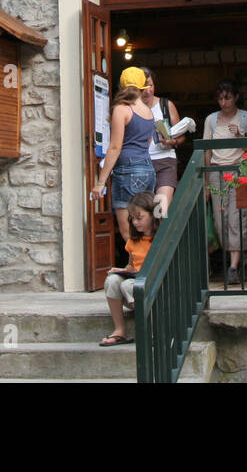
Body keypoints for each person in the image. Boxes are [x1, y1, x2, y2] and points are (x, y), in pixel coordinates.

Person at [91, 67, 156, 243]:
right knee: (144, 225)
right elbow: (148, 143)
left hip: (128, 170)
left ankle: (137, 266)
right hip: (147, 168)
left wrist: (100, 182)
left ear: (122, 86)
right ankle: (139, 264)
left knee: (128, 231)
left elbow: (114, 147)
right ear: (143, 86)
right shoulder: (148, 111)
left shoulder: (122, 109)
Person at [203, 79, 247, 285]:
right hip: (217, 172)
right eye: (220, 98)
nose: (223, 103)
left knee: (237, 218)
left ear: (236, 97)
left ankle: (233, 266)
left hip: (238, 171)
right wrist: (207, 182)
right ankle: (235, 257)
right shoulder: (210, 120)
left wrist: (240, 136)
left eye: (227, 98)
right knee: (220, 220)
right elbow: (207, 151)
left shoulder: (245, 118)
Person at [98, 190, 159, 346]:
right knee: (112, 280)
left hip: (153, 287)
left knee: (128, 285)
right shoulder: (133, 241)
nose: (135, 223)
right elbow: (132, 266)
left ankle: (151, 330)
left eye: (140, 218)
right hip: (135, 285)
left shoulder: (160, 239)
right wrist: (121, 271)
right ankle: (120, 330)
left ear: (153, 215)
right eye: (132, 219)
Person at [140, 66, 187, 216]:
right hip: (139, 164)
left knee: (161, 210)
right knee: (144, 212)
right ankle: (149, 240)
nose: (147, 90)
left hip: (165, 162)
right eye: (143, 86)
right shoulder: (129, 108)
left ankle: (161, 238)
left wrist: (170, 142)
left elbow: (181, 136)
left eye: (150, 85)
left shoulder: (166, 105)